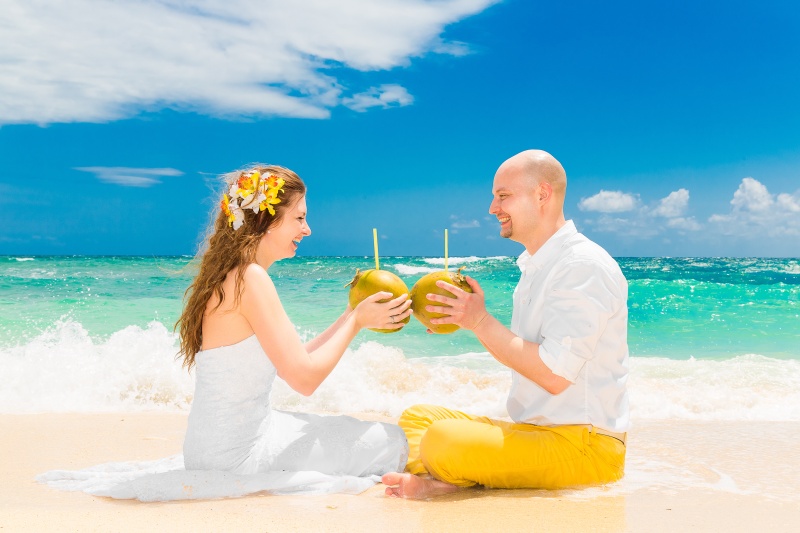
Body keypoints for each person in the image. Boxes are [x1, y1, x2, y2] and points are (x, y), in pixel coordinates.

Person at [39, 164, 411, 500]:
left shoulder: (231, 276)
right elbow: (305, 379)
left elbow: (293, 359)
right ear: (267, 220)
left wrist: (349, 314)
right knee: (390, 441)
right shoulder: (251, 278)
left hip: (208, 448)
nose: (307, 229)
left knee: (342, 428)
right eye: (299, 218)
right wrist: (359, 323)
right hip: (240, 455)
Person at [381, 150, 630, 499]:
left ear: (542, 194)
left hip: (586, 449)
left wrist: (479, 321)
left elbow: (554, 376)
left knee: (440, 441)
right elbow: (525, 355)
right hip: (536, 434)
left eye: (503, 196)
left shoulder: (582, 265)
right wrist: (461, 320)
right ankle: (454, 480)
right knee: (417, 419)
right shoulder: (537, 265)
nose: (492, 208)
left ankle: (447, 484)